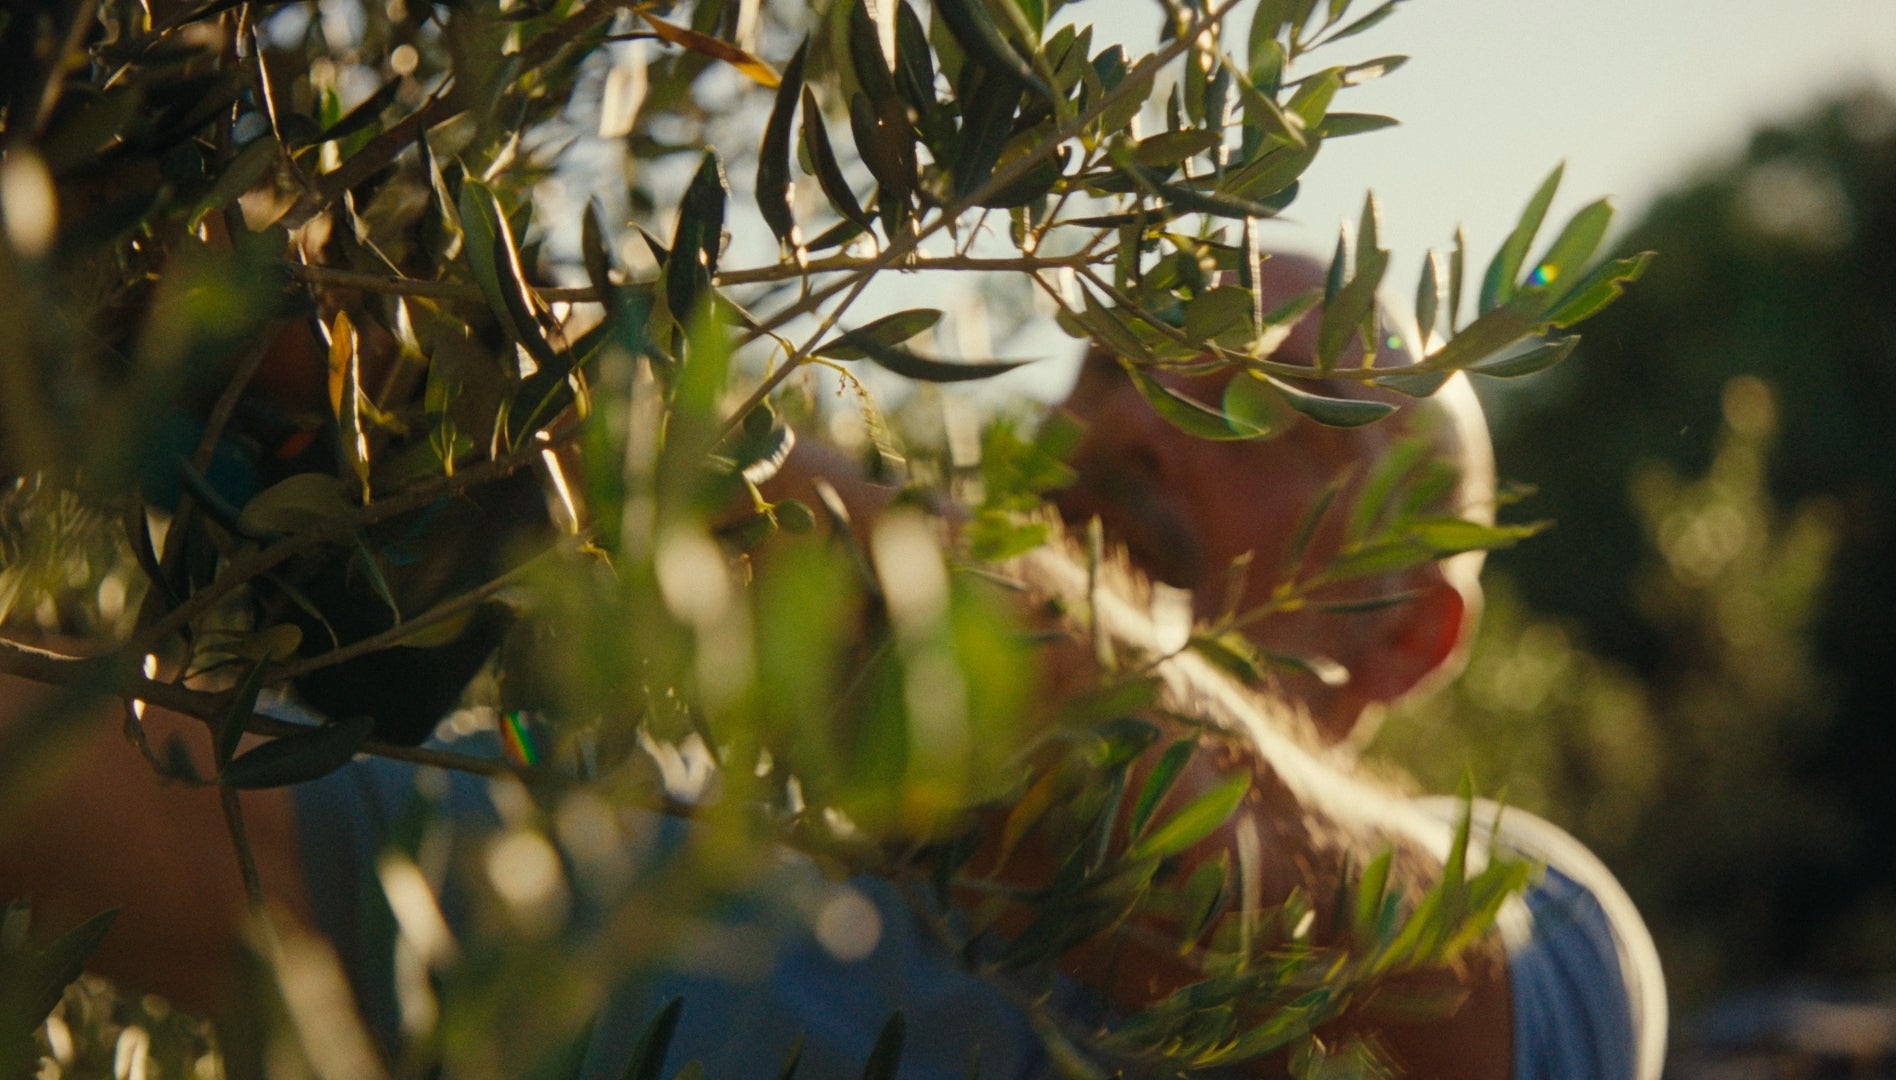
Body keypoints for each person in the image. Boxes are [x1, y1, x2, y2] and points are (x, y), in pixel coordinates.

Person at [0, 255, 1663, 1078]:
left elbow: (1255, 878)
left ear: (1414, 631)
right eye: (1108, 368)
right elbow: (183, 815)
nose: (1126, 420)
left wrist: (615, 445)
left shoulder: (1543, 938)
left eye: (1262, 405)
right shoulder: (688, 861)